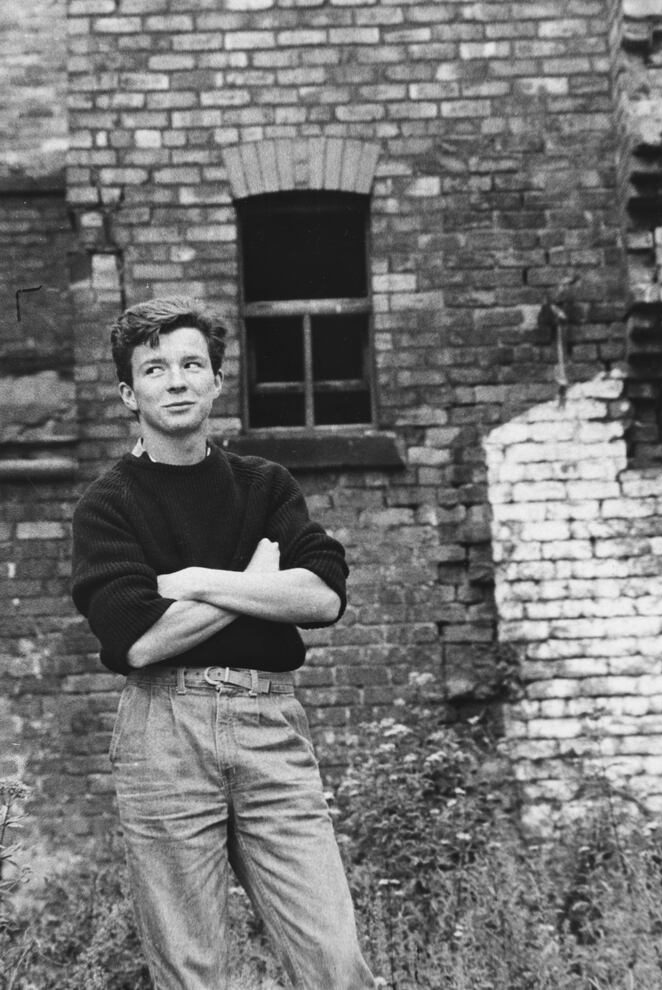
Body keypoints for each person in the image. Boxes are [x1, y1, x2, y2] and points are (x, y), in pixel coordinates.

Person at [71, 297, 376, 990]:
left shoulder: (265, 484)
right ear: (129, 393)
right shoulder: (108, 504)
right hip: (164, 732)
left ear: (214, 382)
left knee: (335, 963)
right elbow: (140, 642)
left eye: (191, 365)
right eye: (155, 369)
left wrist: (199, 582)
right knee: (193, 972)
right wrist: (256, 585)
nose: (175, 381)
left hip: (270, 727)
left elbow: (323, 596)